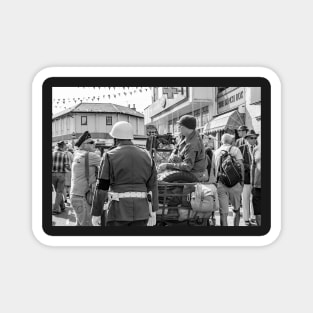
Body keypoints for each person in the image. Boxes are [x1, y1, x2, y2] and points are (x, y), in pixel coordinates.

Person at [91, 121, 159, 227]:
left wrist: (96, 213)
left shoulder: (109, 155)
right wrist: (153, 211)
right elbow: (153, 185)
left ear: (115, 138)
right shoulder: (147, 155)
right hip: (141, 212)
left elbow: (102, 186)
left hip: (118, 211)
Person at [158, 115, 208, 181]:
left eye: (180, 126)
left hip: (193, 175)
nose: (178, 128)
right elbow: (177, 148)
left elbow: (188, 166)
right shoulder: (185, 136)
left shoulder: (192, 144)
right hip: (185, 171)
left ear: (187, 127)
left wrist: (167, 165)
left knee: (169, 188)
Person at [70, 131, 101, 226]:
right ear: (83, 145)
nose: (94, 143)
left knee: (80, 225)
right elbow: (110, 163)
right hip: (83, 197)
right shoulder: (90, 156)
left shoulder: (77, 154)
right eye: (91, 142)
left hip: (77, 196)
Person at [214, 133, 245, 226]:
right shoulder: (235, 150)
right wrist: (242, 181)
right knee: (236, 209)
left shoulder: (216, 152)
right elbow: (241, 166)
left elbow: (214, 169)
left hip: (221, 183)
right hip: (235, 184)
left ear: (222, 141)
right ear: (231, 141)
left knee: (223, 213)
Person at [239, 129, 259, 226]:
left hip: (256, 179)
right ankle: (246, 219)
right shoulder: (241, 148)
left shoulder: (258, 148)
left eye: (255, 138)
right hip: (246, 178)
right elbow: (239, 163)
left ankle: (253, 217)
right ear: (247, 139)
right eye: (252, 138)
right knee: (245, 199)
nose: (254, 139)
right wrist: (250, 166)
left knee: (254, 199)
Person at [52, 141, 70, 214]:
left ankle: (62, 206)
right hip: (61, 174)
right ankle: (55, 209)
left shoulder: (52, 153)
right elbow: (67, 167)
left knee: (57, 191)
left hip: (52, 174)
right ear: (62, 147)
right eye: (65, 146)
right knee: (59, 192)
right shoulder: (64, 155)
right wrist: (67, 170)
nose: (65, 147)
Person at [251, 141, 261, 226]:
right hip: (257, 186)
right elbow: (253, 167)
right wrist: (252, 184)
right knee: (258, 211)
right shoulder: (256, 149)